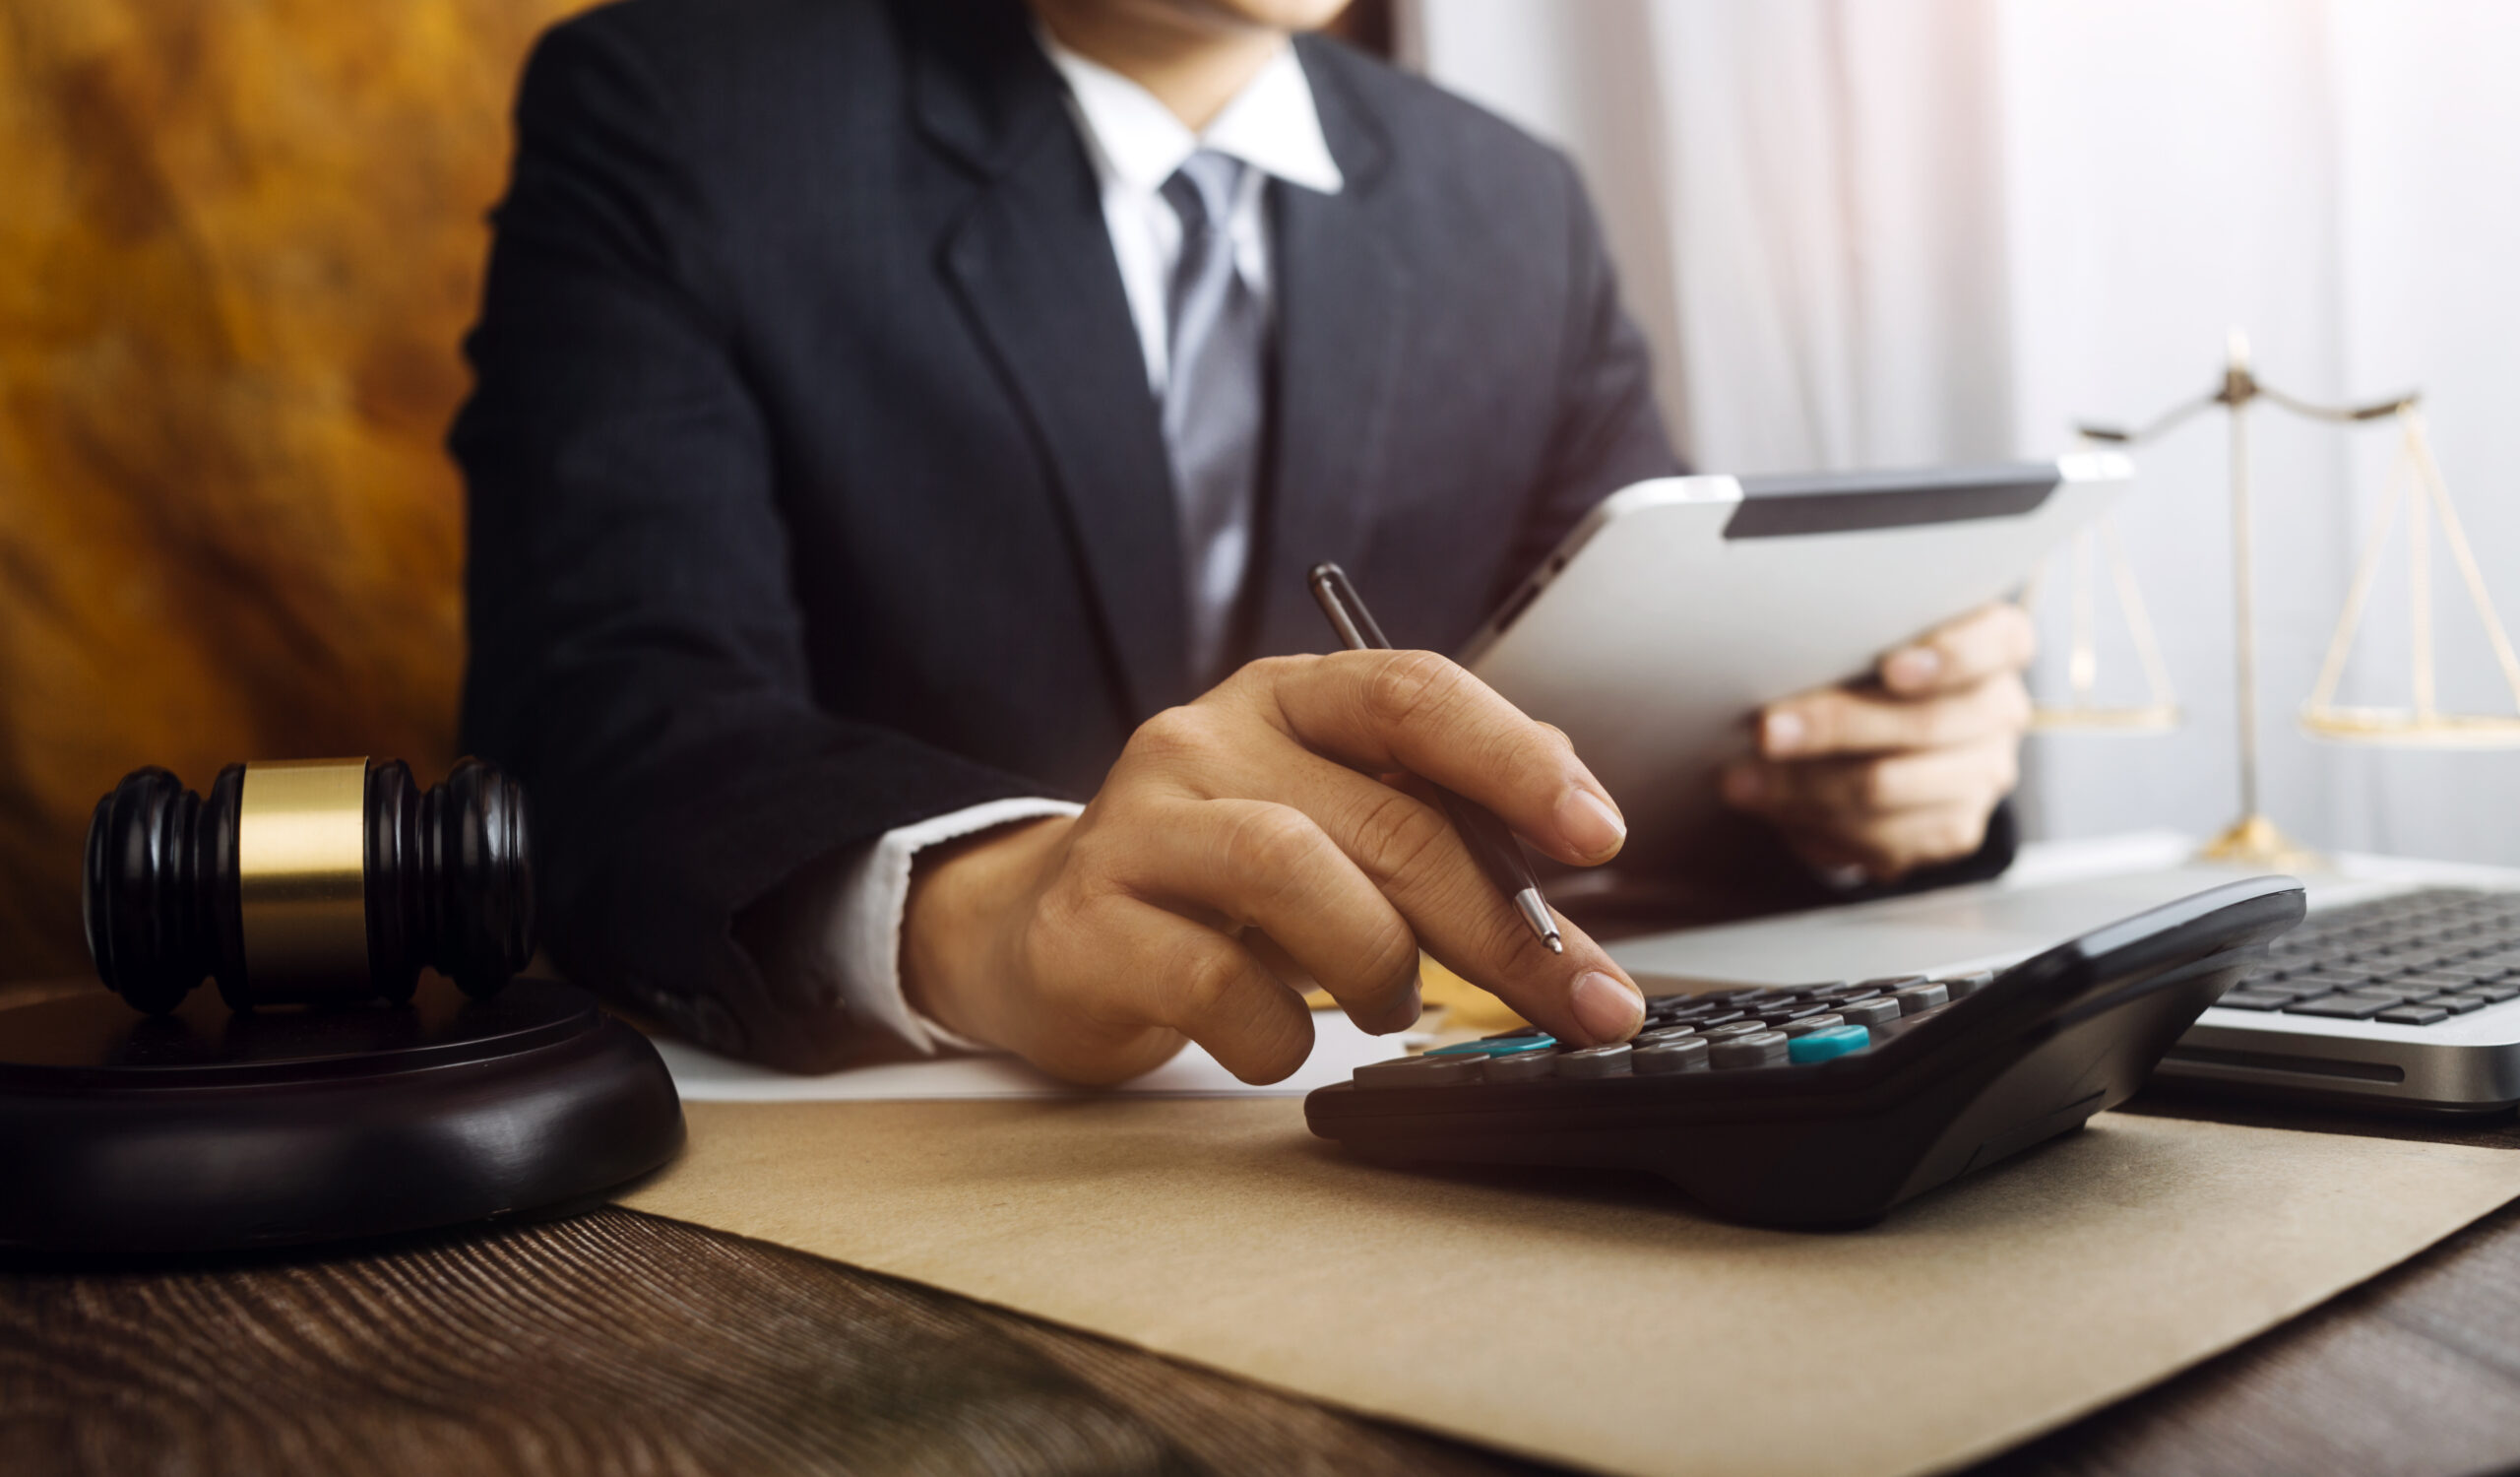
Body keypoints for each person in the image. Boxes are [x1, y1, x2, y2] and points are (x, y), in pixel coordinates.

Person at [453, 0, 2034, 1081]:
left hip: (1422, 1140)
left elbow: (1612, 721)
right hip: (920, 1171)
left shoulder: (1510, 205)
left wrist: (1851, 775)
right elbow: (601, 724)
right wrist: (1001, 907)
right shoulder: (684, 113)